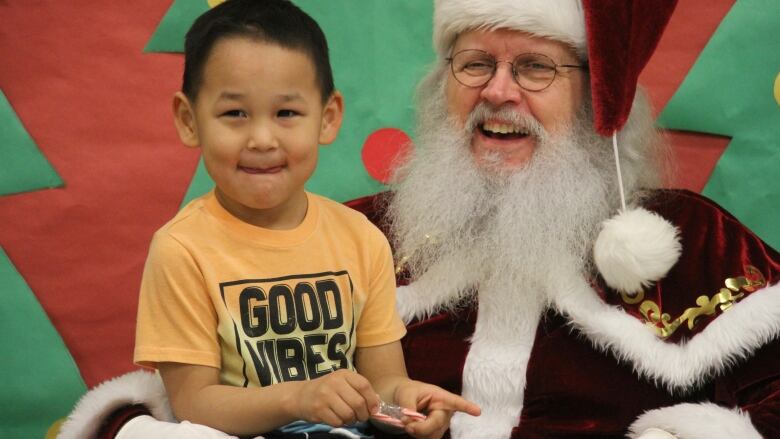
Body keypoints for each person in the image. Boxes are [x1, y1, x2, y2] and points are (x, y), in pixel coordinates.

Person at [59, 0, 780, 438]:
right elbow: (203, 389)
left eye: (534, 68)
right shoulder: (359, 234)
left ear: (598, 102)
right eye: (475, 64)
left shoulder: (689, 243)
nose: (499, 92)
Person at [57, 1, 480, 438]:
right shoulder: (183, 249)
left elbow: (381, 385)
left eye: (286, 114)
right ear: (189, 121)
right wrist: (296, 398)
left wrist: (409, 404)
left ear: (328, 117)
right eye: (234, 114)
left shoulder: (361, 239)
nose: (262, 139)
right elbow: (194, 403)